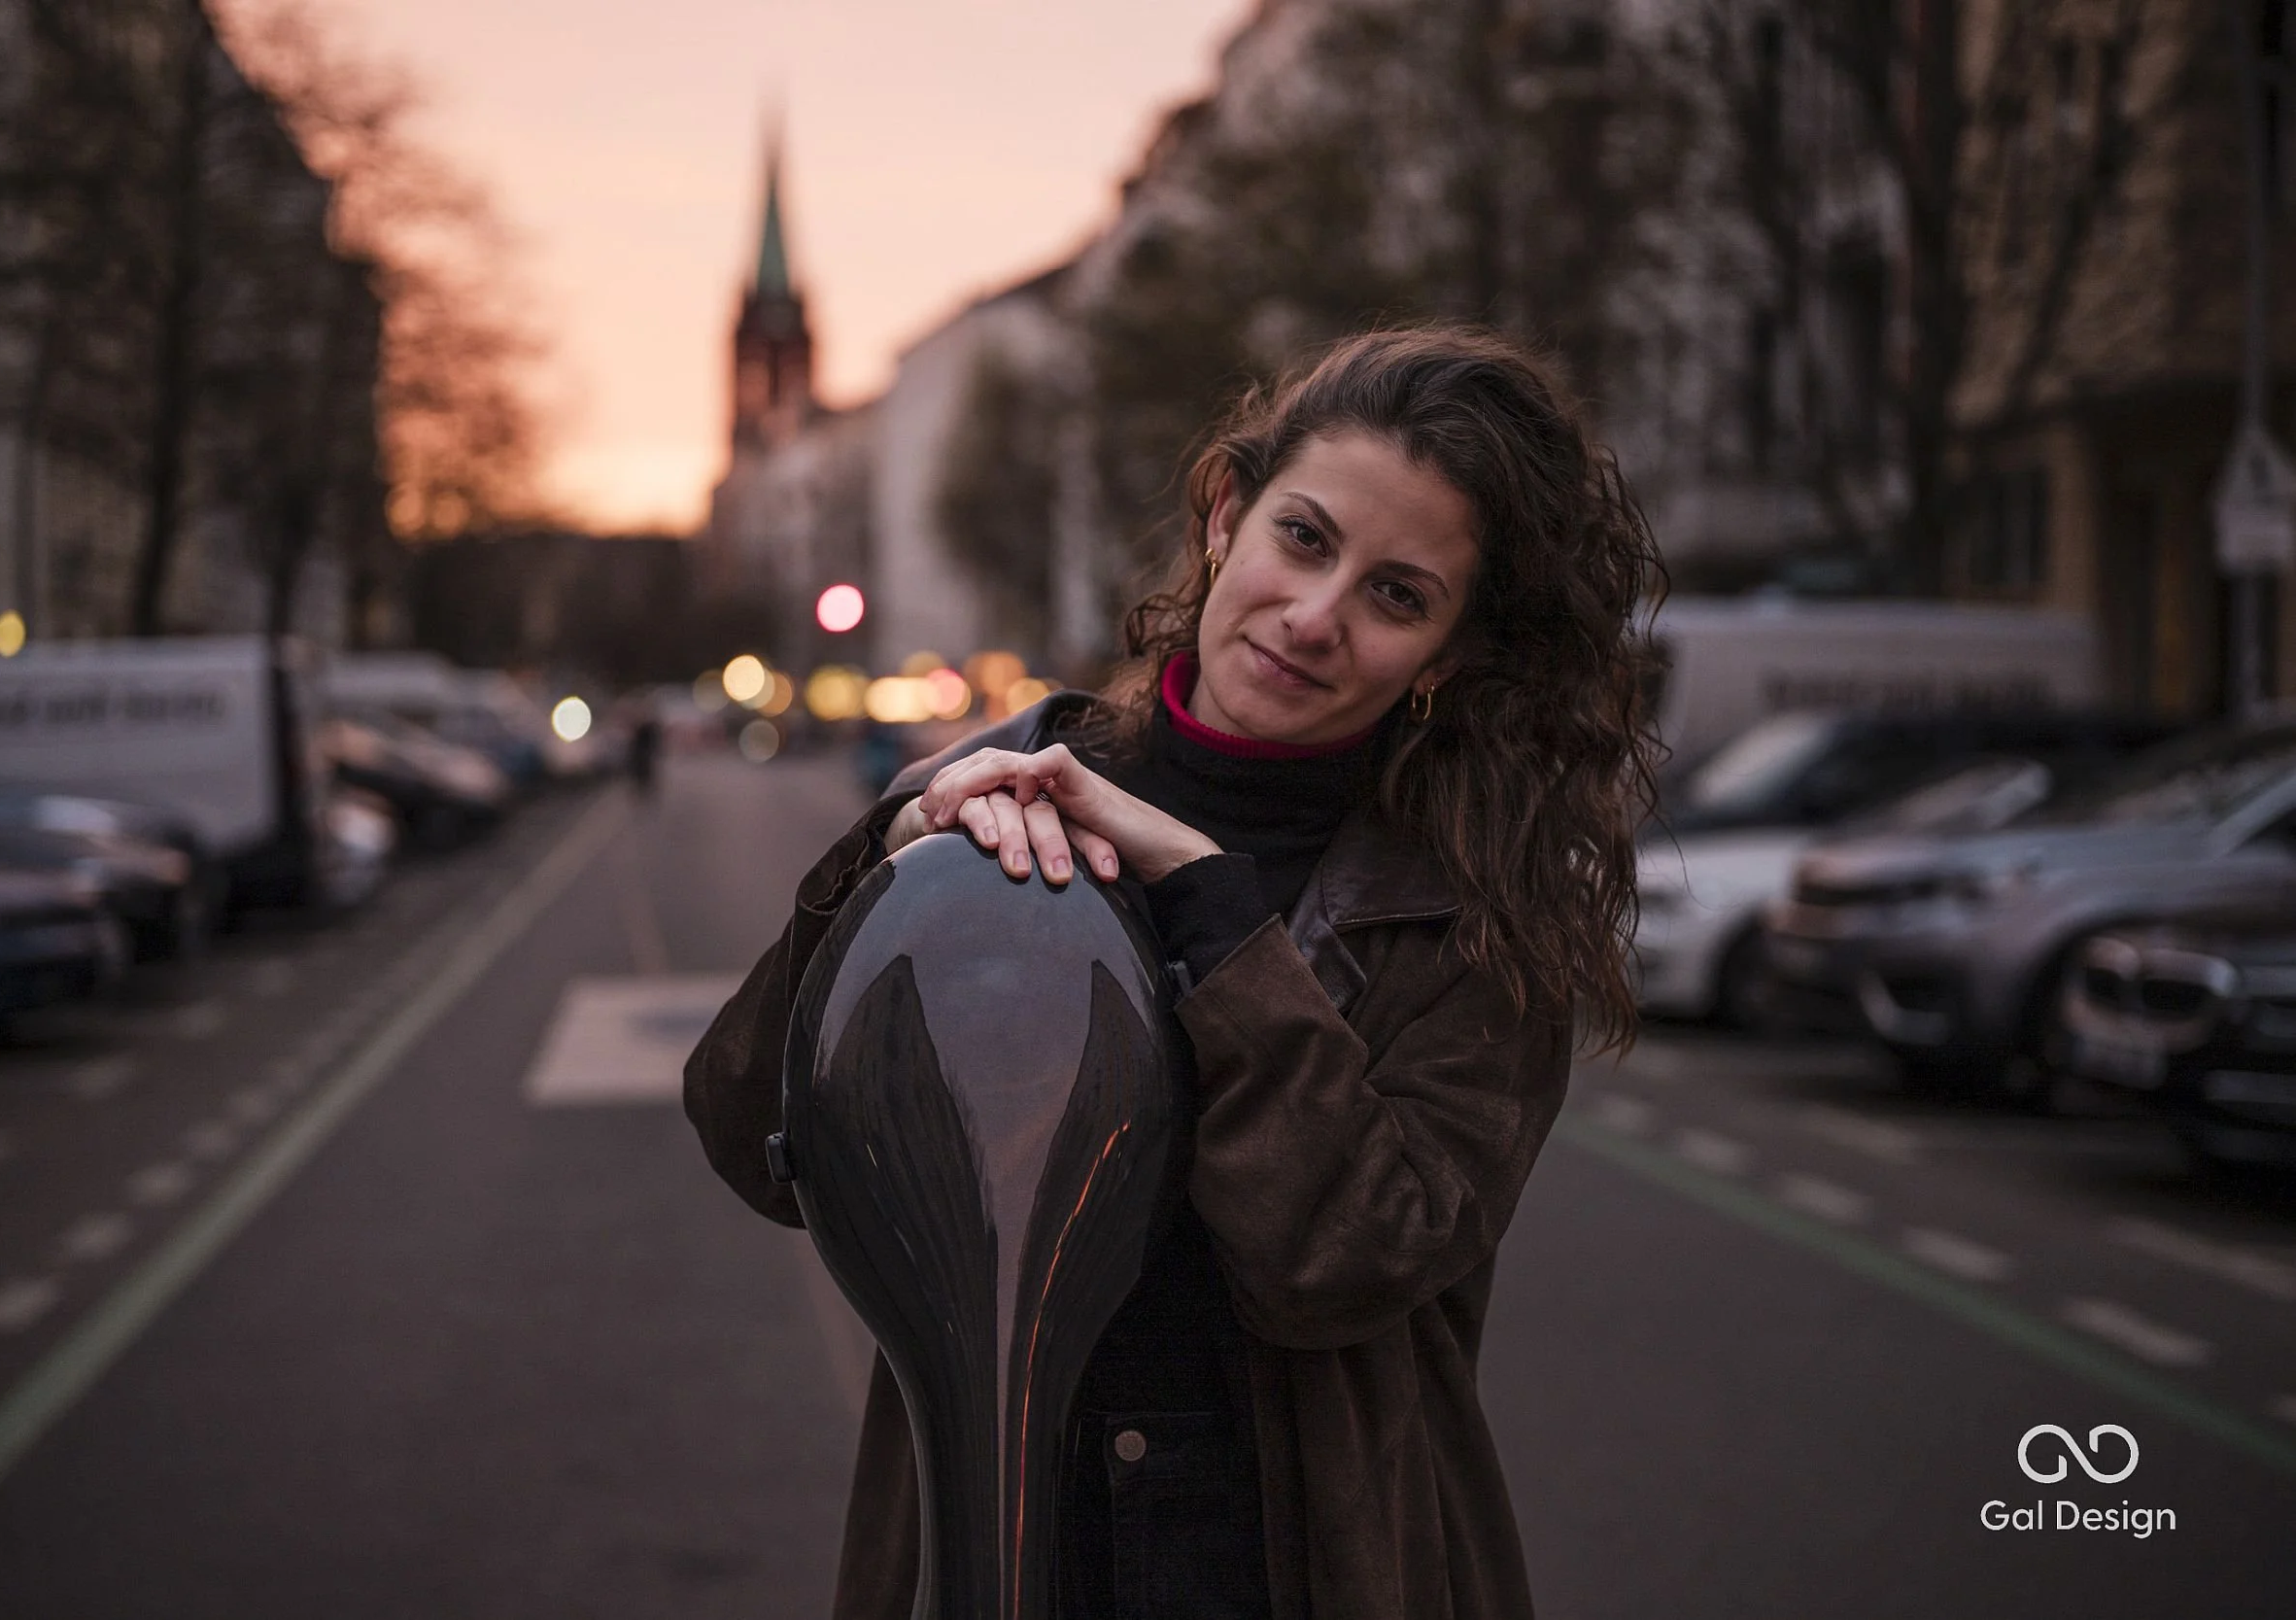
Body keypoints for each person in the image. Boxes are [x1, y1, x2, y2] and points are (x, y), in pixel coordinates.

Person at [683, 326, 1663, 1620]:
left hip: (1304, 1566)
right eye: (1304, 538)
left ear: (1453, 654)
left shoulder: (1474, 913)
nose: (1316, 618)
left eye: (1398, 595)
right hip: (1003, 1544)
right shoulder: (1002, 791)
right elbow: (756, 1133)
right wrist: (892, 862)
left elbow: (1342, 1260)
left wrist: (1211, 905)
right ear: (1223, 516)